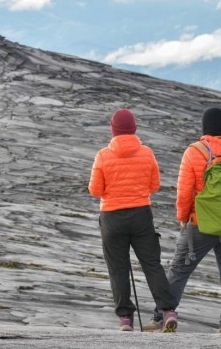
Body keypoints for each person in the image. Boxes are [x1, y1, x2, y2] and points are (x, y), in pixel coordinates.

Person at [144, 107, 221, 333]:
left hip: (200, 224)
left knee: (179, 270)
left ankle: (161, 319)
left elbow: (184, 192)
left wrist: (182, 219)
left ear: (204, 127)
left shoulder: (195, 151)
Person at [88, 108, 179, 332]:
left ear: (113, 129)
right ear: (134, 128)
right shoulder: (147, 152)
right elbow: (154, 185)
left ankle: (125, 319)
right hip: (141, 214)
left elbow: (95, 189)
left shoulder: (102, 155)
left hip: (112, 217)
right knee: (152, 265)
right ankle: (168, 312)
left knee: (118, 269)